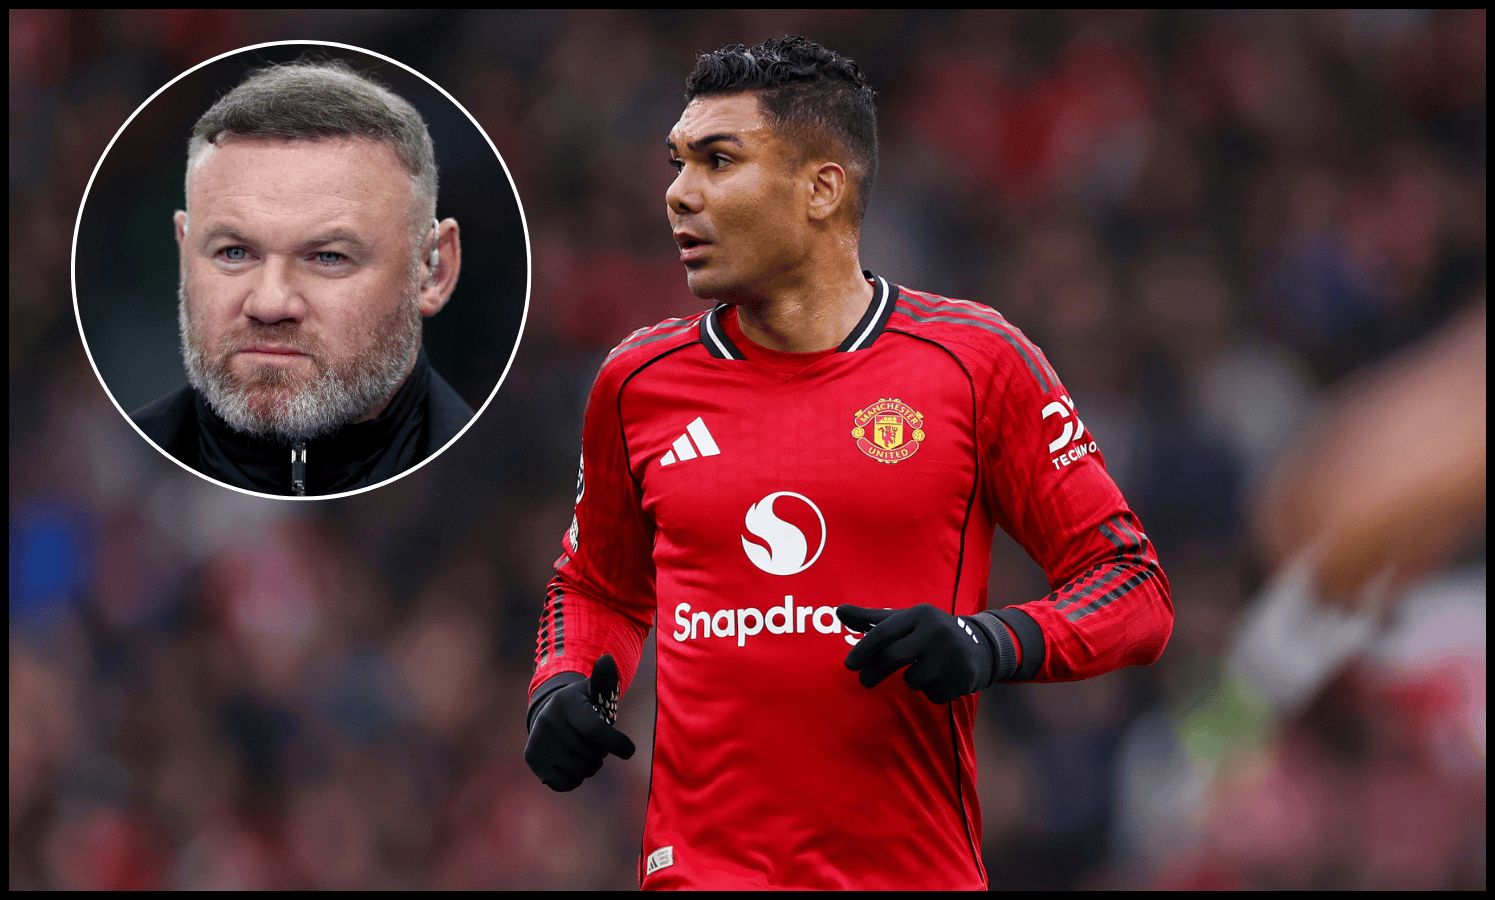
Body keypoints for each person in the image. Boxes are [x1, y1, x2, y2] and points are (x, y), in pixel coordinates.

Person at [523, 36, 1173, 890]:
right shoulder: (635, 382)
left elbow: (1132, 588)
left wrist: (990, 641)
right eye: (678, 163)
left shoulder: (975, 364)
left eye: (719, 161)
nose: (678, 194)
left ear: (822, 188)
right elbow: (599, 587)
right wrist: (561, 684)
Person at [131, 60, 472, 497]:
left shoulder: (506, 486)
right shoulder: (104, 478)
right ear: (184, 253)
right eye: (234, 253)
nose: (270, 304)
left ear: (433, 270)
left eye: (328, 257)